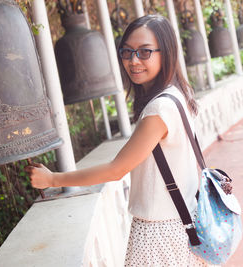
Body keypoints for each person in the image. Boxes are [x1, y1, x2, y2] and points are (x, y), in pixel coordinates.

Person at [25, 15, 212, 266]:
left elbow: (116, 169)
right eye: (127, 52)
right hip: (184, 220)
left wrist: (52, 179)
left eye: (145, 52)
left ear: (165, 53)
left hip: (159, 231)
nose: (133, 61)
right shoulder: (178, 94)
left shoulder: (159, 109)